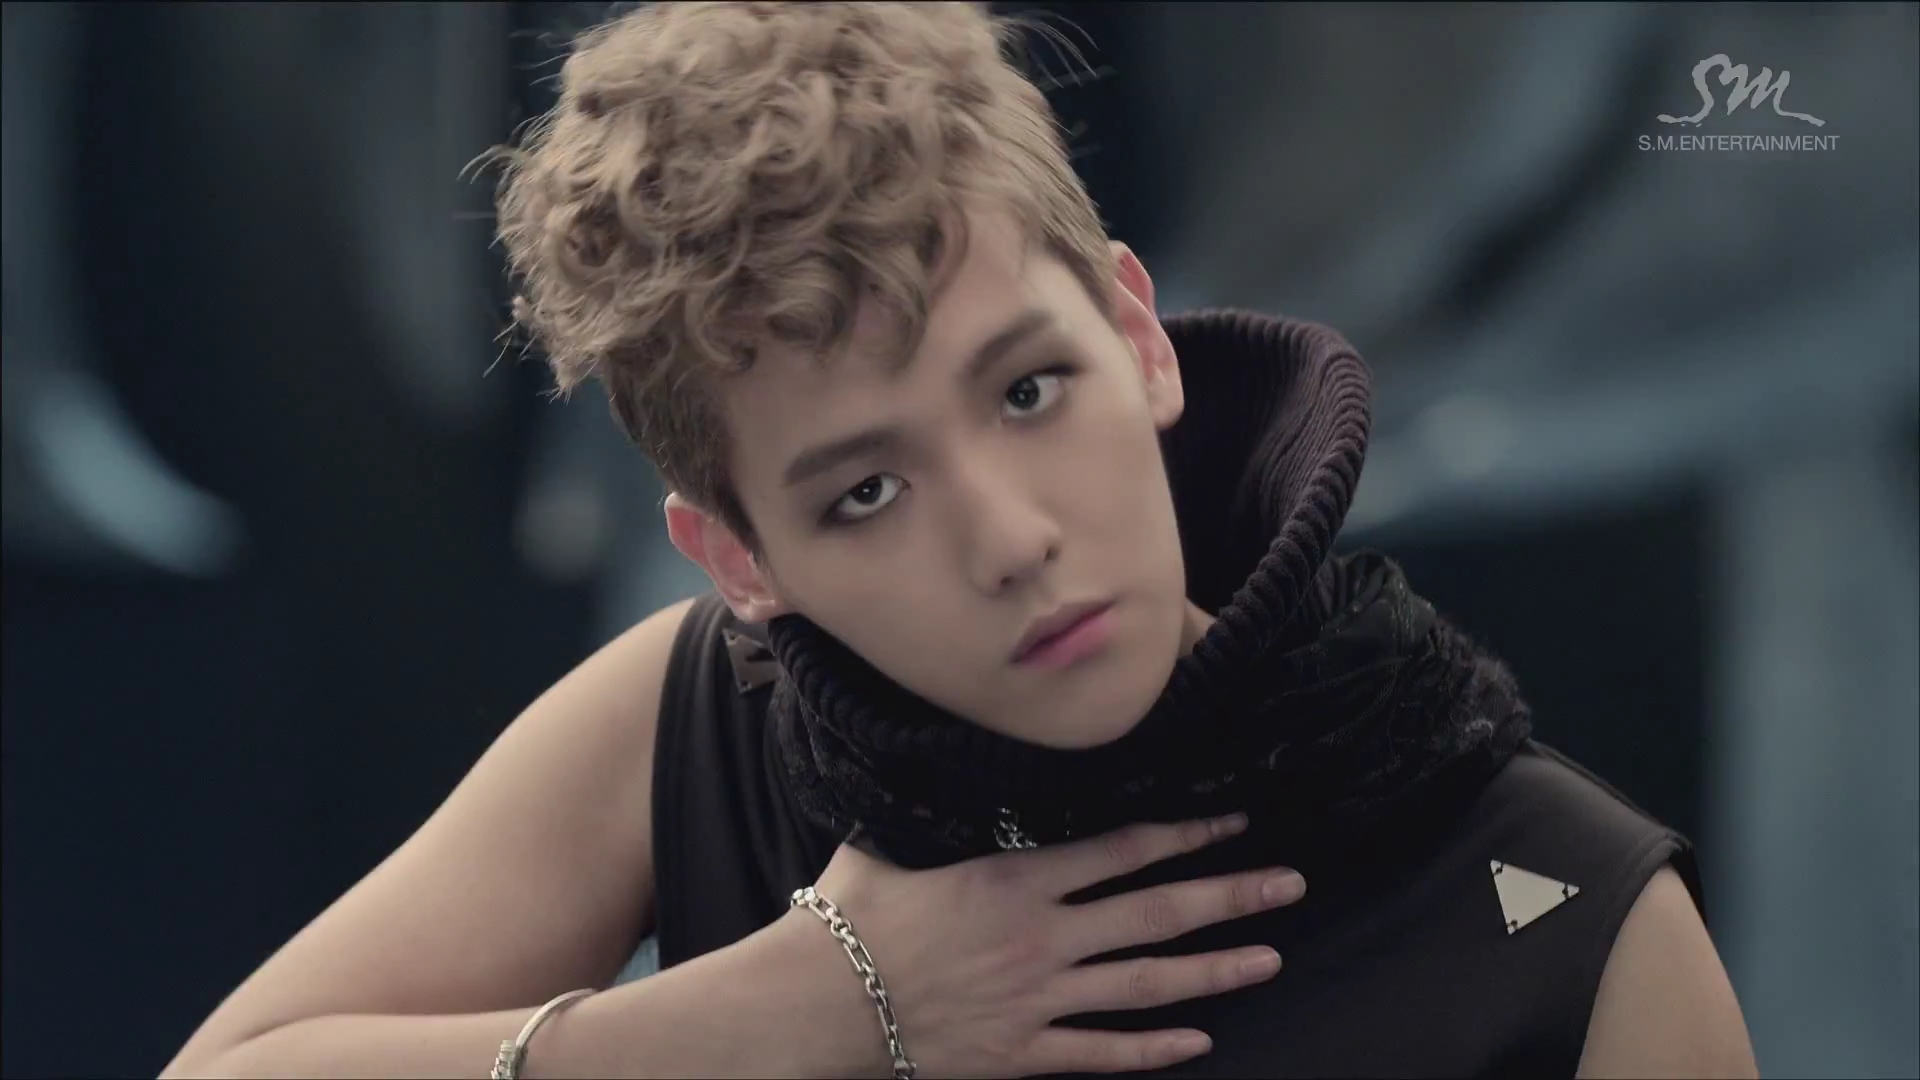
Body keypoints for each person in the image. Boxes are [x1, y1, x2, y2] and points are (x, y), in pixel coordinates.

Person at [163, 3, 1759, 1078]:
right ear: (739, 562)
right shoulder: (697, 723)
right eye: (864, 492)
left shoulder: (1570, 912)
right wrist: (800, 1009)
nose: (1009, 540)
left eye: (1027, 389)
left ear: (1137, 334)